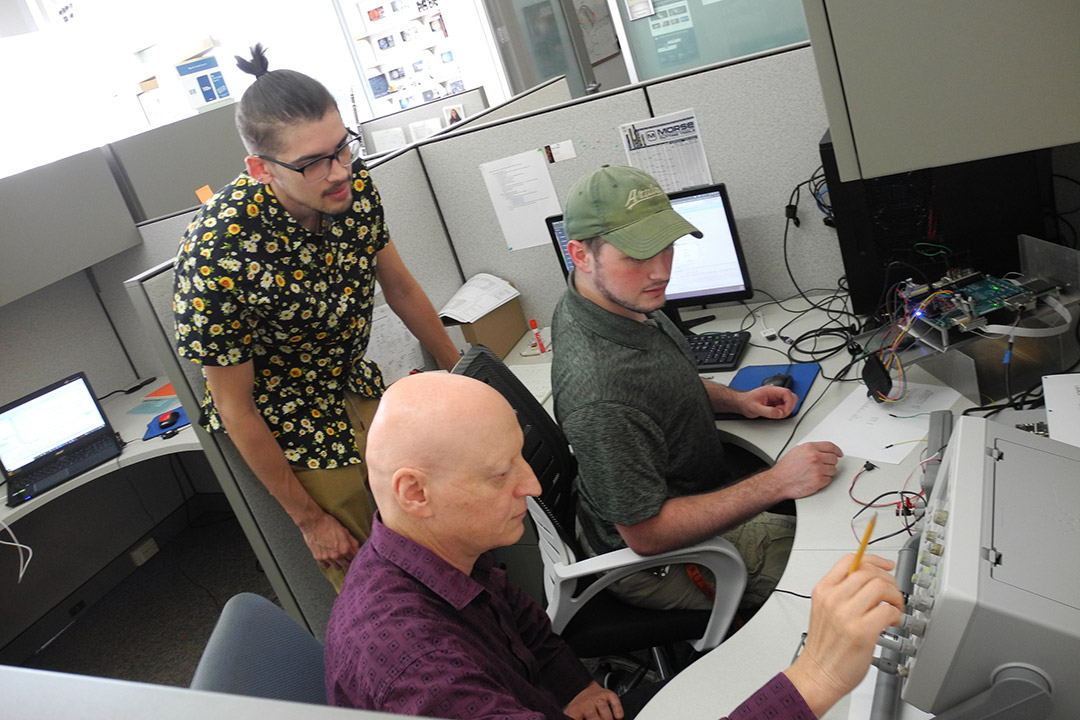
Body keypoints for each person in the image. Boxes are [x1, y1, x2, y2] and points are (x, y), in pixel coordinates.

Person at [323, 373, 904, 720]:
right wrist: (818, 678)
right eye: (501, 475)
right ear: (415, 492)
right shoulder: (417, 672)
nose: (529, 485)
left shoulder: (434, 549)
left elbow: (527, 628)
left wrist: (571, 684)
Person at [173, 44, 460, 591]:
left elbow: (399, 287)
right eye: (311, 163)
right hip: (288, 423)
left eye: (342, 148)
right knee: (380, 580)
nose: (338, 173)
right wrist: (309, 520)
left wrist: (466, 373)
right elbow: (235, 408)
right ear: (259, 169)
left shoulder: (352, 186)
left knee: (435, 530)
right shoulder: (217, 252)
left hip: (355, 382)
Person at [551, 165, 844, 613]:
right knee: (842, 580)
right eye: (634, 255)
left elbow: (662, 381)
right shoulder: (601, 393)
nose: (660, 271)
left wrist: (737, 400)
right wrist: (778, 482)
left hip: (685, 492)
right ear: (581, 255)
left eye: (665, 247)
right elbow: (645, 534)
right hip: (663, 558)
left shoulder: (612, 300)